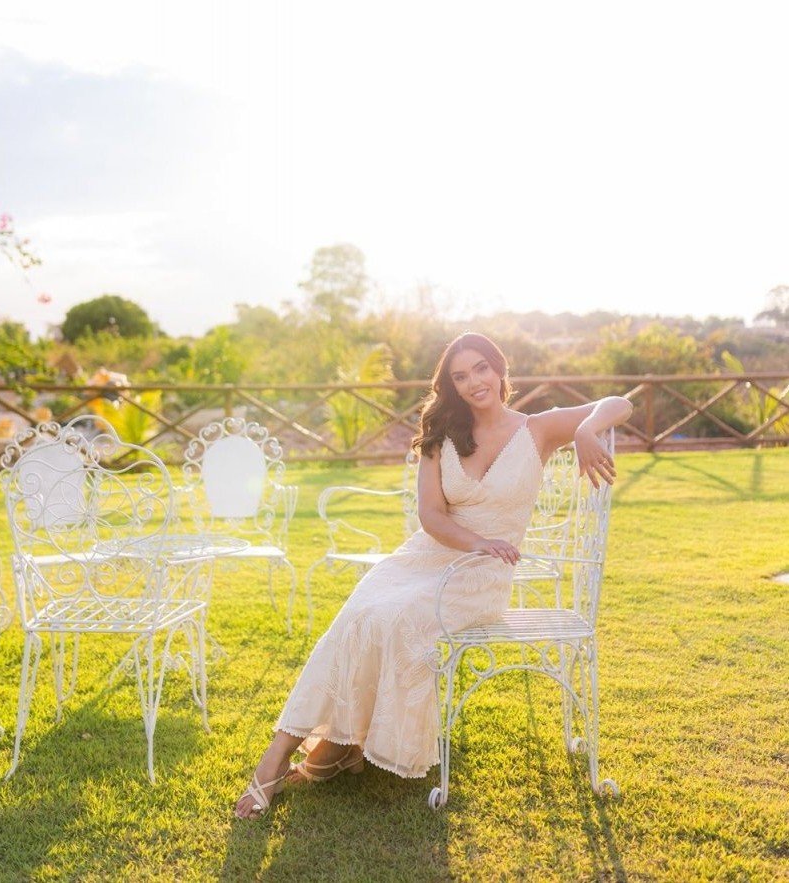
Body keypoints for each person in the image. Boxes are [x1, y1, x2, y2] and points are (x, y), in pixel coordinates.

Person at [234, 331, 632, 818]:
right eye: (460, 376)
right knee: (360, 614)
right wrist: (477, 540)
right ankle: (280, 756)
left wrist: (587, 428)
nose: (474, 382)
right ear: (452, 386)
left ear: (500, 370)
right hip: (423, 558)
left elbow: (620, 403)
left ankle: (337, 748)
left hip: (479, 577)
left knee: (397, 616)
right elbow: (431, 517)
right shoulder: (440, 434)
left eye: (481, 369)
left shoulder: (538, 429)